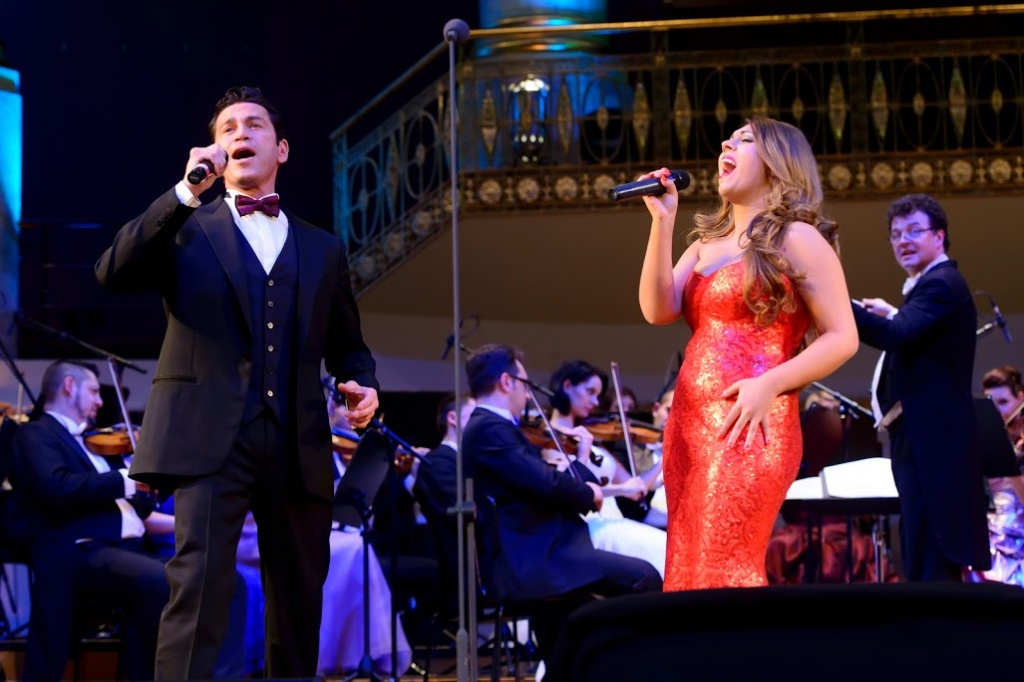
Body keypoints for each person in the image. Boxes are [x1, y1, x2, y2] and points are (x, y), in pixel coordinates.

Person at [95, 86, 379, 679]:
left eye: (253, 124)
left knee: (299, 604)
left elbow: (348, 345)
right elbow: (112, 272)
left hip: (297, 440)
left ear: (282, 149)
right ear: (215, 151)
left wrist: (362, 382)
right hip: (208, 440)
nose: (240, 133)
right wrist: (185, 191)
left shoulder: (323, 248)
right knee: (197, 595)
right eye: (227, 128)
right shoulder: (184, 228)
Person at [637, 118, 859, 591]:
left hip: (749, 420)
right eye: (729, 138)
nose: (726, 143)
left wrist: (769, 384)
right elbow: (658, 310)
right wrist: (663, 222)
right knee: (687, 567)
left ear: (778, 163)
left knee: (724, 566)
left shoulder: (797, 238)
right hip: (689, 427)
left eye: (744, 140)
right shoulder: (704, 245)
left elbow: (843, 337)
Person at [461, 343, 662, 666]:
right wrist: (586, 487)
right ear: (506, 382)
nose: (528, 394)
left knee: (572, 631)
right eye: (524, 384)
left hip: (544, 549)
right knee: (643, 577)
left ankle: (596, 666)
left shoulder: (493, 427)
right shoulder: (489, 428)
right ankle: (631, 666)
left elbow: (541, 484)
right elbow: (545, 482)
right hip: (535, 556)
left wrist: (582, 471)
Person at [853, 193, 989, 581]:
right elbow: (914, 333)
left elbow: (896, 334)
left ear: (939, 236)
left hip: (934, 440)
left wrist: (839, 306)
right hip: (923, 437)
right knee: (921, 542)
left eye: (914, 231)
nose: (903, 241)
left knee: (931, 552)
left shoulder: (941, 283)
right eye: (896, 234)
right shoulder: (931, 285)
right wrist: (894, 313)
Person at [9, 361, 169, 682]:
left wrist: (147, 476)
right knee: (159, 580)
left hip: (128, 551)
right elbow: (56, 485)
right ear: (69, 386)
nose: (100, 400)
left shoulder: (96, 443)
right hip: (81, 551)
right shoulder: (36, 434)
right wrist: (122, 479)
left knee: (212, 580)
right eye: (94, 391)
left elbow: (138, 505)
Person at [546, 360, 666, 577]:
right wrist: (620, 490)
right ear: (567, 386)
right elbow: (569, 490)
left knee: (668, 547)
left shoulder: (592, 438)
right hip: (587, 526)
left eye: (598, 395)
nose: (594, 402)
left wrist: (664, 459)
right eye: (590, 392)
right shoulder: (546, 438)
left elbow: (637, 488)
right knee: (664, 551)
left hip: (616, 523)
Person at [965, 365, 1024, 586]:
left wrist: (1008, 458)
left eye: (1004, 402)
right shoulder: (981, 446)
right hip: (990, 546)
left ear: (1021, 399)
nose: (998, 412)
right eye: (992, 404)